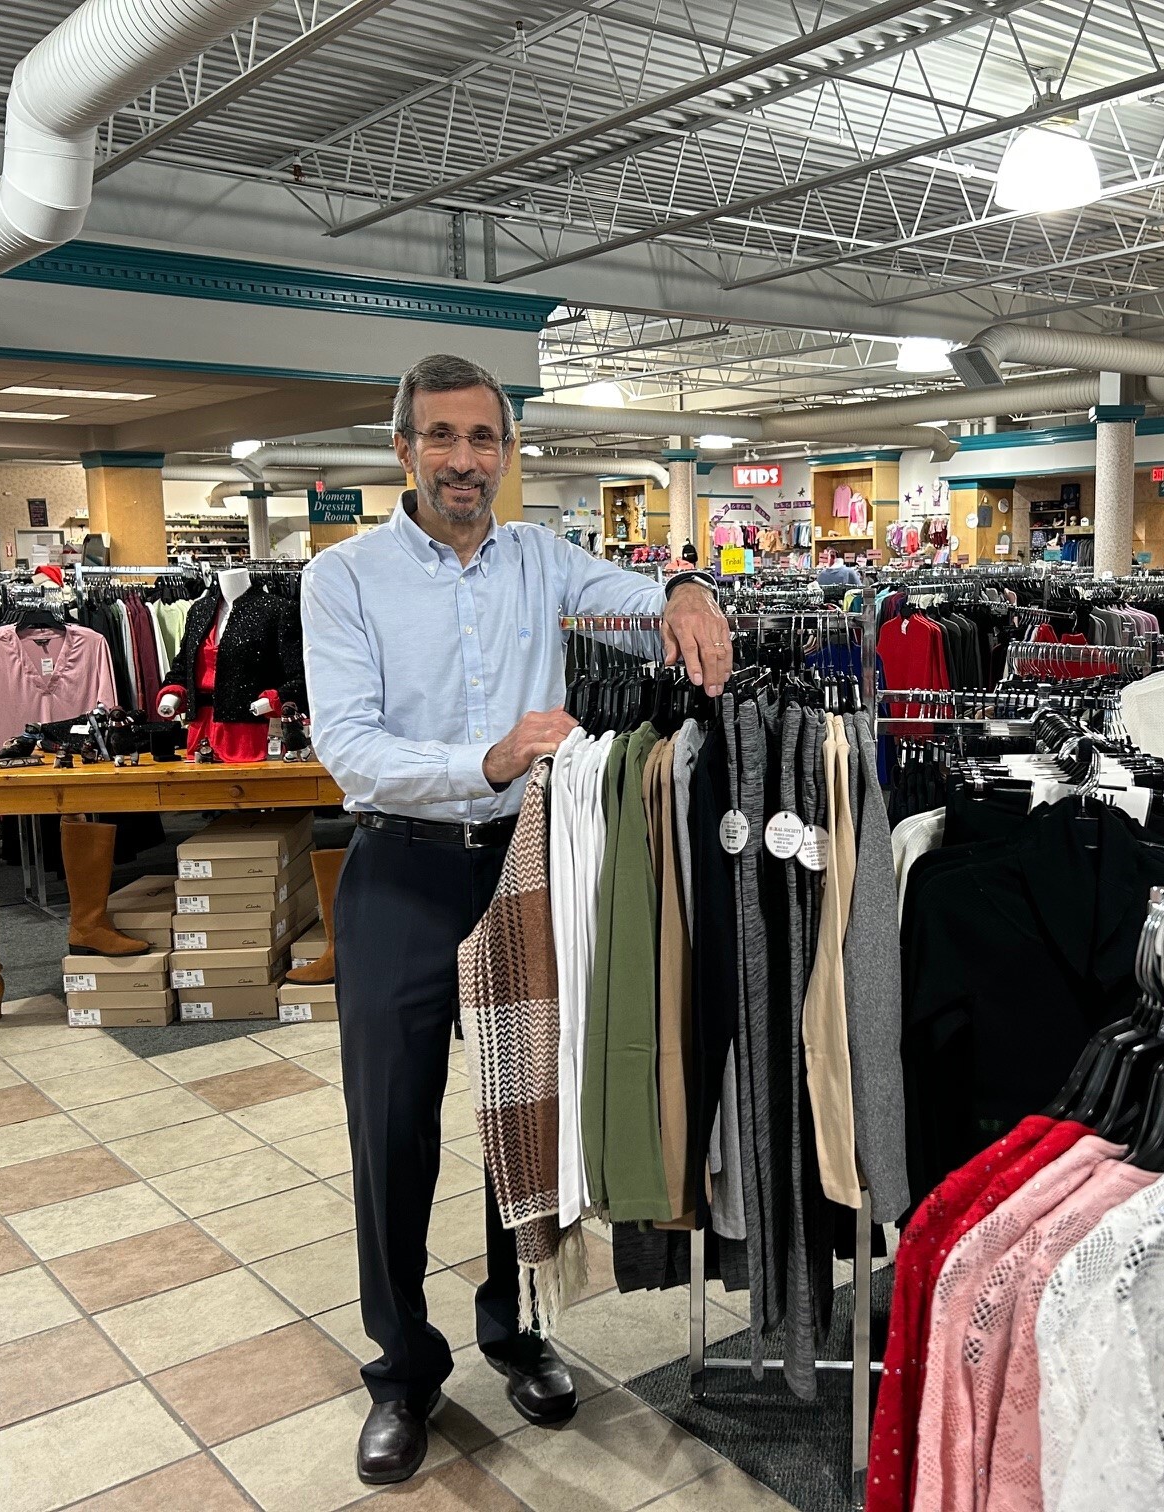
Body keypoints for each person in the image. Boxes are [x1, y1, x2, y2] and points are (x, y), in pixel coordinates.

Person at [302, 353, 731, 1487]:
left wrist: (687, 588)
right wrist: (486, 761)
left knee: (523, 1108)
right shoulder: (342, 580)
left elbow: (640, 601)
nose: (463, 460)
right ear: (403, 449)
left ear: (505, 451)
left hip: (526, 867)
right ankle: (402, 1370)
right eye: (441, 437)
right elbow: (348, 749)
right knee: (389, 1127)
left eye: (483, 438)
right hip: (398, 872)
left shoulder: (542, 559)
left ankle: (518, 1328)